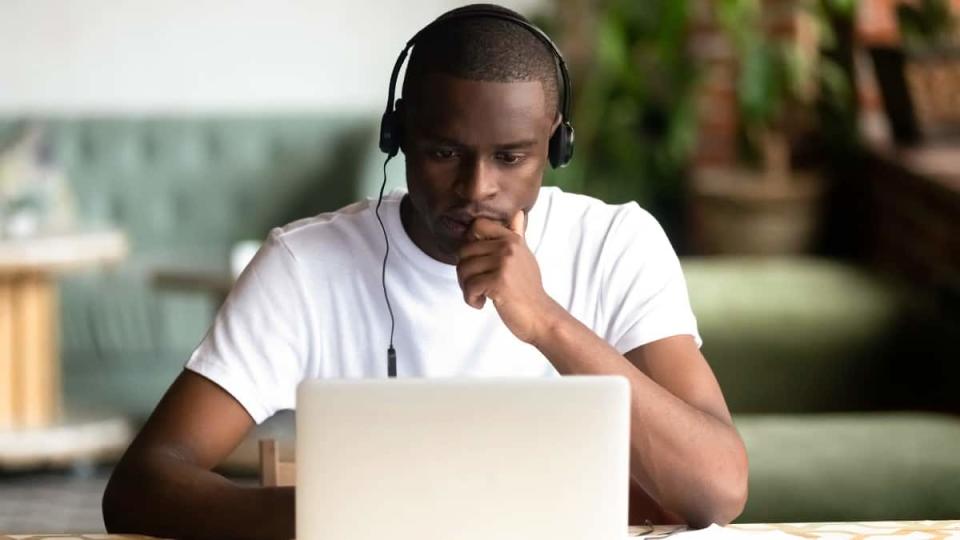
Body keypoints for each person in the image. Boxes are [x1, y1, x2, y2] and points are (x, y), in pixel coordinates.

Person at [102, 4, 748, 539]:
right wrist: (343, 519)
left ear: (555, 144)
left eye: (511, 156)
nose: (477, 188)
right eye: (444, 152)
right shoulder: (304, 266)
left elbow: (717, 490)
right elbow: (142, 485)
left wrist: (546, 321)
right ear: (399, 135)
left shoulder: (616, 242)